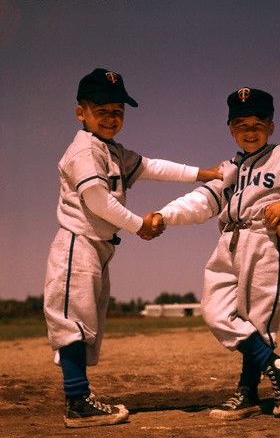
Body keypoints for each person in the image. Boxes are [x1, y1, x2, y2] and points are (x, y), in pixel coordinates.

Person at [43, 68, 221, 428]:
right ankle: (77, 403)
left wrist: (204, 173)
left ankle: (80, 398)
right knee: (73, 322)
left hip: (98, 247)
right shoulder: (83, 150)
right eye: (103, 110)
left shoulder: (109, 150)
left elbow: (152, 166)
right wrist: (140, 225)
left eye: (118, 112)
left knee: (86, 322)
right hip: (77, 244)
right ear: (81, 112)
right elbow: (97, 200)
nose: (112, 118)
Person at [150, 87, 280, 420]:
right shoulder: (229, 168)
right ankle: (278, 366)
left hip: (264, 240)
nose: (249, 130)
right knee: (215, 312)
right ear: (231, 128)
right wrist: (165, 214)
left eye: (257, 123)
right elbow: (202, 201)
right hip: (228, 239)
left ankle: (246, 392)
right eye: (241, 124)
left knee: (258, 320)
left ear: (271, 126)